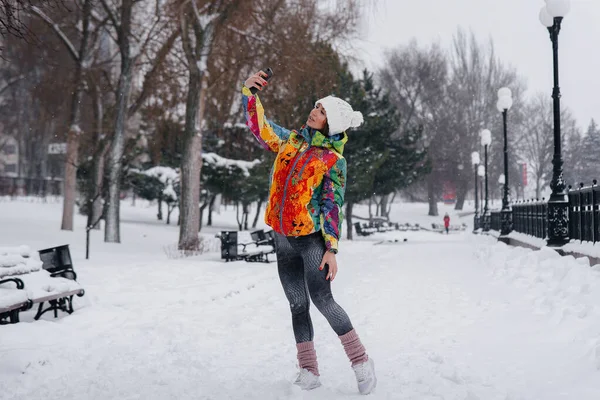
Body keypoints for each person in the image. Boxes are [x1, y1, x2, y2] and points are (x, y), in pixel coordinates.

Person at [241, 71, 376, 394]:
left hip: (311, 241)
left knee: (323, 301)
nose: (315, 111)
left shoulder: (332, 160)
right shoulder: (291, 141)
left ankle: (361, 361)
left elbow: (333, 205)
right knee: (297, 304)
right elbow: (261, 128)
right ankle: (308, 370)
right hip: (282, 238)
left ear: (333, 125)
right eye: (316, 106)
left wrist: (331, 248)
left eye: (323, 111)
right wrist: (249, 94)